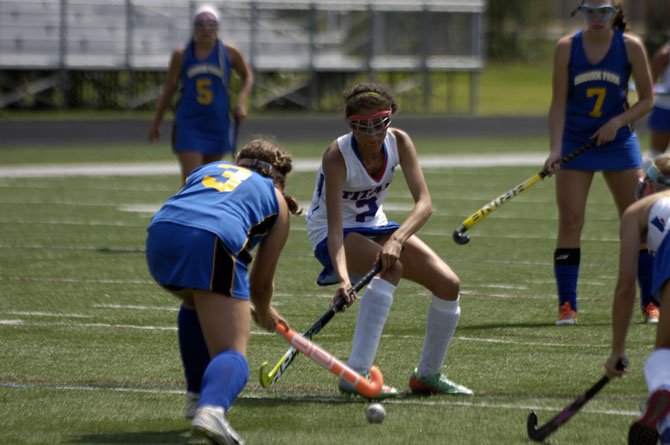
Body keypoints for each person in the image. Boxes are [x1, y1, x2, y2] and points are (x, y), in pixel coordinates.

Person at [305, 82, 473, 399]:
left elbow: (424, 203)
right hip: (331, 233)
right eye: (361, 127)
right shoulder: (336, 156)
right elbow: (336, 227)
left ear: (389, 118)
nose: (370, 136)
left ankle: (427, 375)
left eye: (378, 125)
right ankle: (356, 373)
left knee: (449, 285)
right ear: (350, 125)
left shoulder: (400, 142)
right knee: (389, 269)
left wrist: (396, 239)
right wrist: (343, 279)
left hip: (378, 225)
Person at [145, 138, 300, 444]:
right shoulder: (277, 199)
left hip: (159, 236)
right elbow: (260, 284)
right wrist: (265, 312)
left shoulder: (211, 168)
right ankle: (213, 409)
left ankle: (196, 398)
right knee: (233, 352)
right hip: (211, 243)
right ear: (278, 178)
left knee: (194, 301)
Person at [543, 0, 654, 325]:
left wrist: (618, 122)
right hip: (577, 143)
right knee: (571, 220)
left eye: (603, 12)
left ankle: (651, 303)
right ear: (582, 12)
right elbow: (558, 104)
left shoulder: (630, 46)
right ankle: (567, 306)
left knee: (638, 221)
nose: (596, 19)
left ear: (614, 13)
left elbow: (646, 100)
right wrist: (555, 149)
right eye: (590, 11)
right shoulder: (567, 48)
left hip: (618, 143)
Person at [603, 154, 670, 445]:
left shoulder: (637, 211)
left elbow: (626, 287)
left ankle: (663, 392)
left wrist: (617, 350)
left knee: (664, 356)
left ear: (653, 186)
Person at [148, 4, 254, 185]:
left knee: (211, 183)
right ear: (194, 27)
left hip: (218, 123)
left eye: (211, 23)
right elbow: (169, 88)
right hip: (190, 123)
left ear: (218, 26)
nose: (206, 28)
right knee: (192, 181)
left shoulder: (229, 52)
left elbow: (247, 76)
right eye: (201, 23)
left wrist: (242, 100)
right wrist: (156, 122)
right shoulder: (182, 54)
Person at [646, 40, 670, 164]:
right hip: (665, 108)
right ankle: (649, 183)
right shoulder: (665, 52)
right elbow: (650, 80)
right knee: (656, 156)